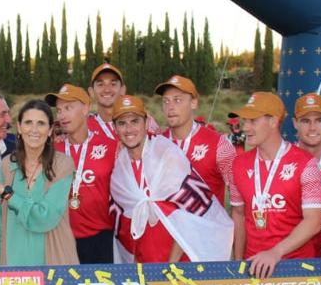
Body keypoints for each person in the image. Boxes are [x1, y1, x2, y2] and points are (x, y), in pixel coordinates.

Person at [110, 96, 232, 263]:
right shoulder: (119, 170)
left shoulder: (167, 156)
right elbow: (125, 226)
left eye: (134, 121)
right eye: (122, 123)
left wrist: (171, 265)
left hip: (178, 265)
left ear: (146, 124)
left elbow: (191, 214)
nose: (129, 129)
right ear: (115, 128)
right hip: (144, 263)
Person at [229, 92, 321, 278]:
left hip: (296, 268)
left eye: (253, 121)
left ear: (273, 121)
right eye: (245, 120)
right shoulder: (238, 164)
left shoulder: (306, 164)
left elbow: (314, 222)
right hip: (253, 266)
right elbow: (238, 214)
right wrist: (239, 262)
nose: (245, 127)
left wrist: (275, 253)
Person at [0, 100, 78, 266]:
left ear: (50, 130)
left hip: (53, 264)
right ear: (19, 127)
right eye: (28, 123)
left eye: (41, 123)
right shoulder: (8, 165)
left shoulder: (63, 165)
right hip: (11, 264)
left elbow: (46, 218)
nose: (34, 130)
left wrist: (5, 192)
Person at [47, 83, 118, 265]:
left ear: (86, 108)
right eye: (59, 110)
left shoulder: (111, 147)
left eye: (68, 108)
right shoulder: (53, 151)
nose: (62, 115)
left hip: (101, 240)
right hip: (61, 239)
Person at [156, 75, 236, 205]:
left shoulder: (219, 144)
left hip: (208, 223)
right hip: (167, 224)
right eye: (166, 101)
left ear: (193, 103)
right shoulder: (156, 144)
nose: (170, 107)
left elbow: (239, 201)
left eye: (177, 100)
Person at [86, 62, 159, 140]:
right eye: (100, 84)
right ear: (91, 92)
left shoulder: (145, 122)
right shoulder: (83, 127)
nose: (107, 90)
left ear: (122, 90)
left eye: (113, 84)